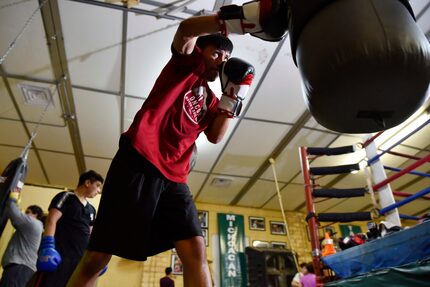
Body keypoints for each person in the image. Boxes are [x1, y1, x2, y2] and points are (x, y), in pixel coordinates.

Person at [67, 2, 288, 287]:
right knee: (98, 257)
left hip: (175, 178)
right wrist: (239, 22)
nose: (222, 60)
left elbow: (216, 135)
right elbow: (186, 30)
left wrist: (233, 96)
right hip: (138, 161)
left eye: (228, 56)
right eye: (217, 52)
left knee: (195, 249)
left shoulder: (211, 99)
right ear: (202, 51)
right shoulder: (185, 66)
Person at [33, 170, 104, 287]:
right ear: (87, 183)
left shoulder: (92, 210)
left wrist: (94, 256)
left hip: (78, 260)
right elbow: (51, 219)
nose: (98, 191)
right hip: (58, 256)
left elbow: (90, 234)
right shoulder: (66, 197)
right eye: (97, 186)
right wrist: (47, 246)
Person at [0, 188, 44, 287]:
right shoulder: (34, 228)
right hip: (21, 268)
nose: (25, 215)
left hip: (19, 268)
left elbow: (13, 212)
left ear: (35, 214)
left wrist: (13, 198)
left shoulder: (33, 223)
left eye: (27, 212)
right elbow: (16, 219)